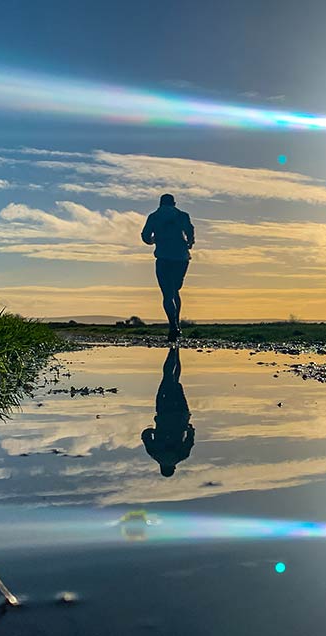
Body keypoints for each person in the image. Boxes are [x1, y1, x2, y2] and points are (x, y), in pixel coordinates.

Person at [141, 193, 195, 342]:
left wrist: (153, 240)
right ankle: (176, 325)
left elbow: (145, 236)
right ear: (174, 203)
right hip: (181, 258)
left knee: (167, 294)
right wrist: (190, 243)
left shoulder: (154, 216)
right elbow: (190, 232)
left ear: (160, 203)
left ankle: (174, 326)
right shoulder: (183, 215)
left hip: (164, 258)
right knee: (175, 290)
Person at [141, 347, 194, 477]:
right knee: (167, 379)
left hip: (181, 415)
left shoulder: (181, 456)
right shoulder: (155, 454)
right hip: (163, 415)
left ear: (173, 468)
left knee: (176, 382)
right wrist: (153, 430)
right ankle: (173, 350)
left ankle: (176, 350)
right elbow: (145, 435)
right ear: (161, 468)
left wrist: (189, 428)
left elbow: (190, 439)